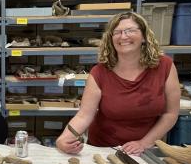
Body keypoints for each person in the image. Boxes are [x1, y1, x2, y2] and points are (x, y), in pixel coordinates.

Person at [56, 11, 180, 155]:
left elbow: (170, 113)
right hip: (104, 150)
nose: (123, 36)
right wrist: (64, 139)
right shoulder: (100, 72)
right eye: (117, 32)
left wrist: (144, 143)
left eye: (130, 30)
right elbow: (84, 115)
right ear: (111, 39)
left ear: (144, 36)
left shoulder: (165, 66)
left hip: (146, 150)